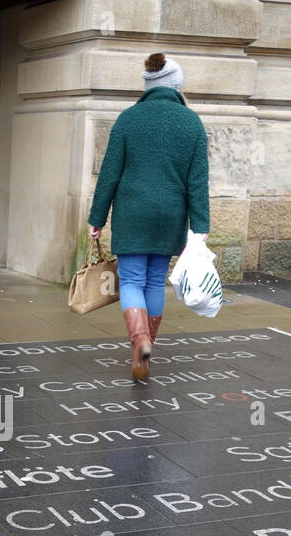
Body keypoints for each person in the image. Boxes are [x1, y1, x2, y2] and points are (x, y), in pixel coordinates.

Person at [87, 52, 210, 380]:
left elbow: (109, 174)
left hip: (132, 213)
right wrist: (200, 228)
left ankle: (140, 340)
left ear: (149, 85)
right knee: (155, 280)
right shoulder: (192, 122)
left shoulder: (128, 119)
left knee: (130, 280)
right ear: (176, 86)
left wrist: (97, 217)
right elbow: (197, 181)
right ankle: (147, 346)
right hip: (171, 215)